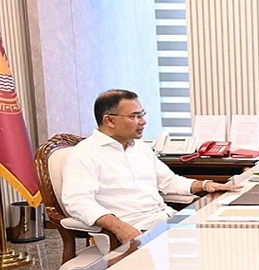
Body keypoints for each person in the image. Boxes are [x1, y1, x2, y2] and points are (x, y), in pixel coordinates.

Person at [62, 89, 241, 245]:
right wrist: (119, 227)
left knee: (227, 238)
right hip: (129, 232)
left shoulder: (140, 147)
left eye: (142, 114)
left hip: (164, 220)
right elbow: (78, 202)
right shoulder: (85, 153)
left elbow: (169, 182)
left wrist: (205, 185)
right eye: (135, 116)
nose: (143, 121)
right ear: (109, 120)